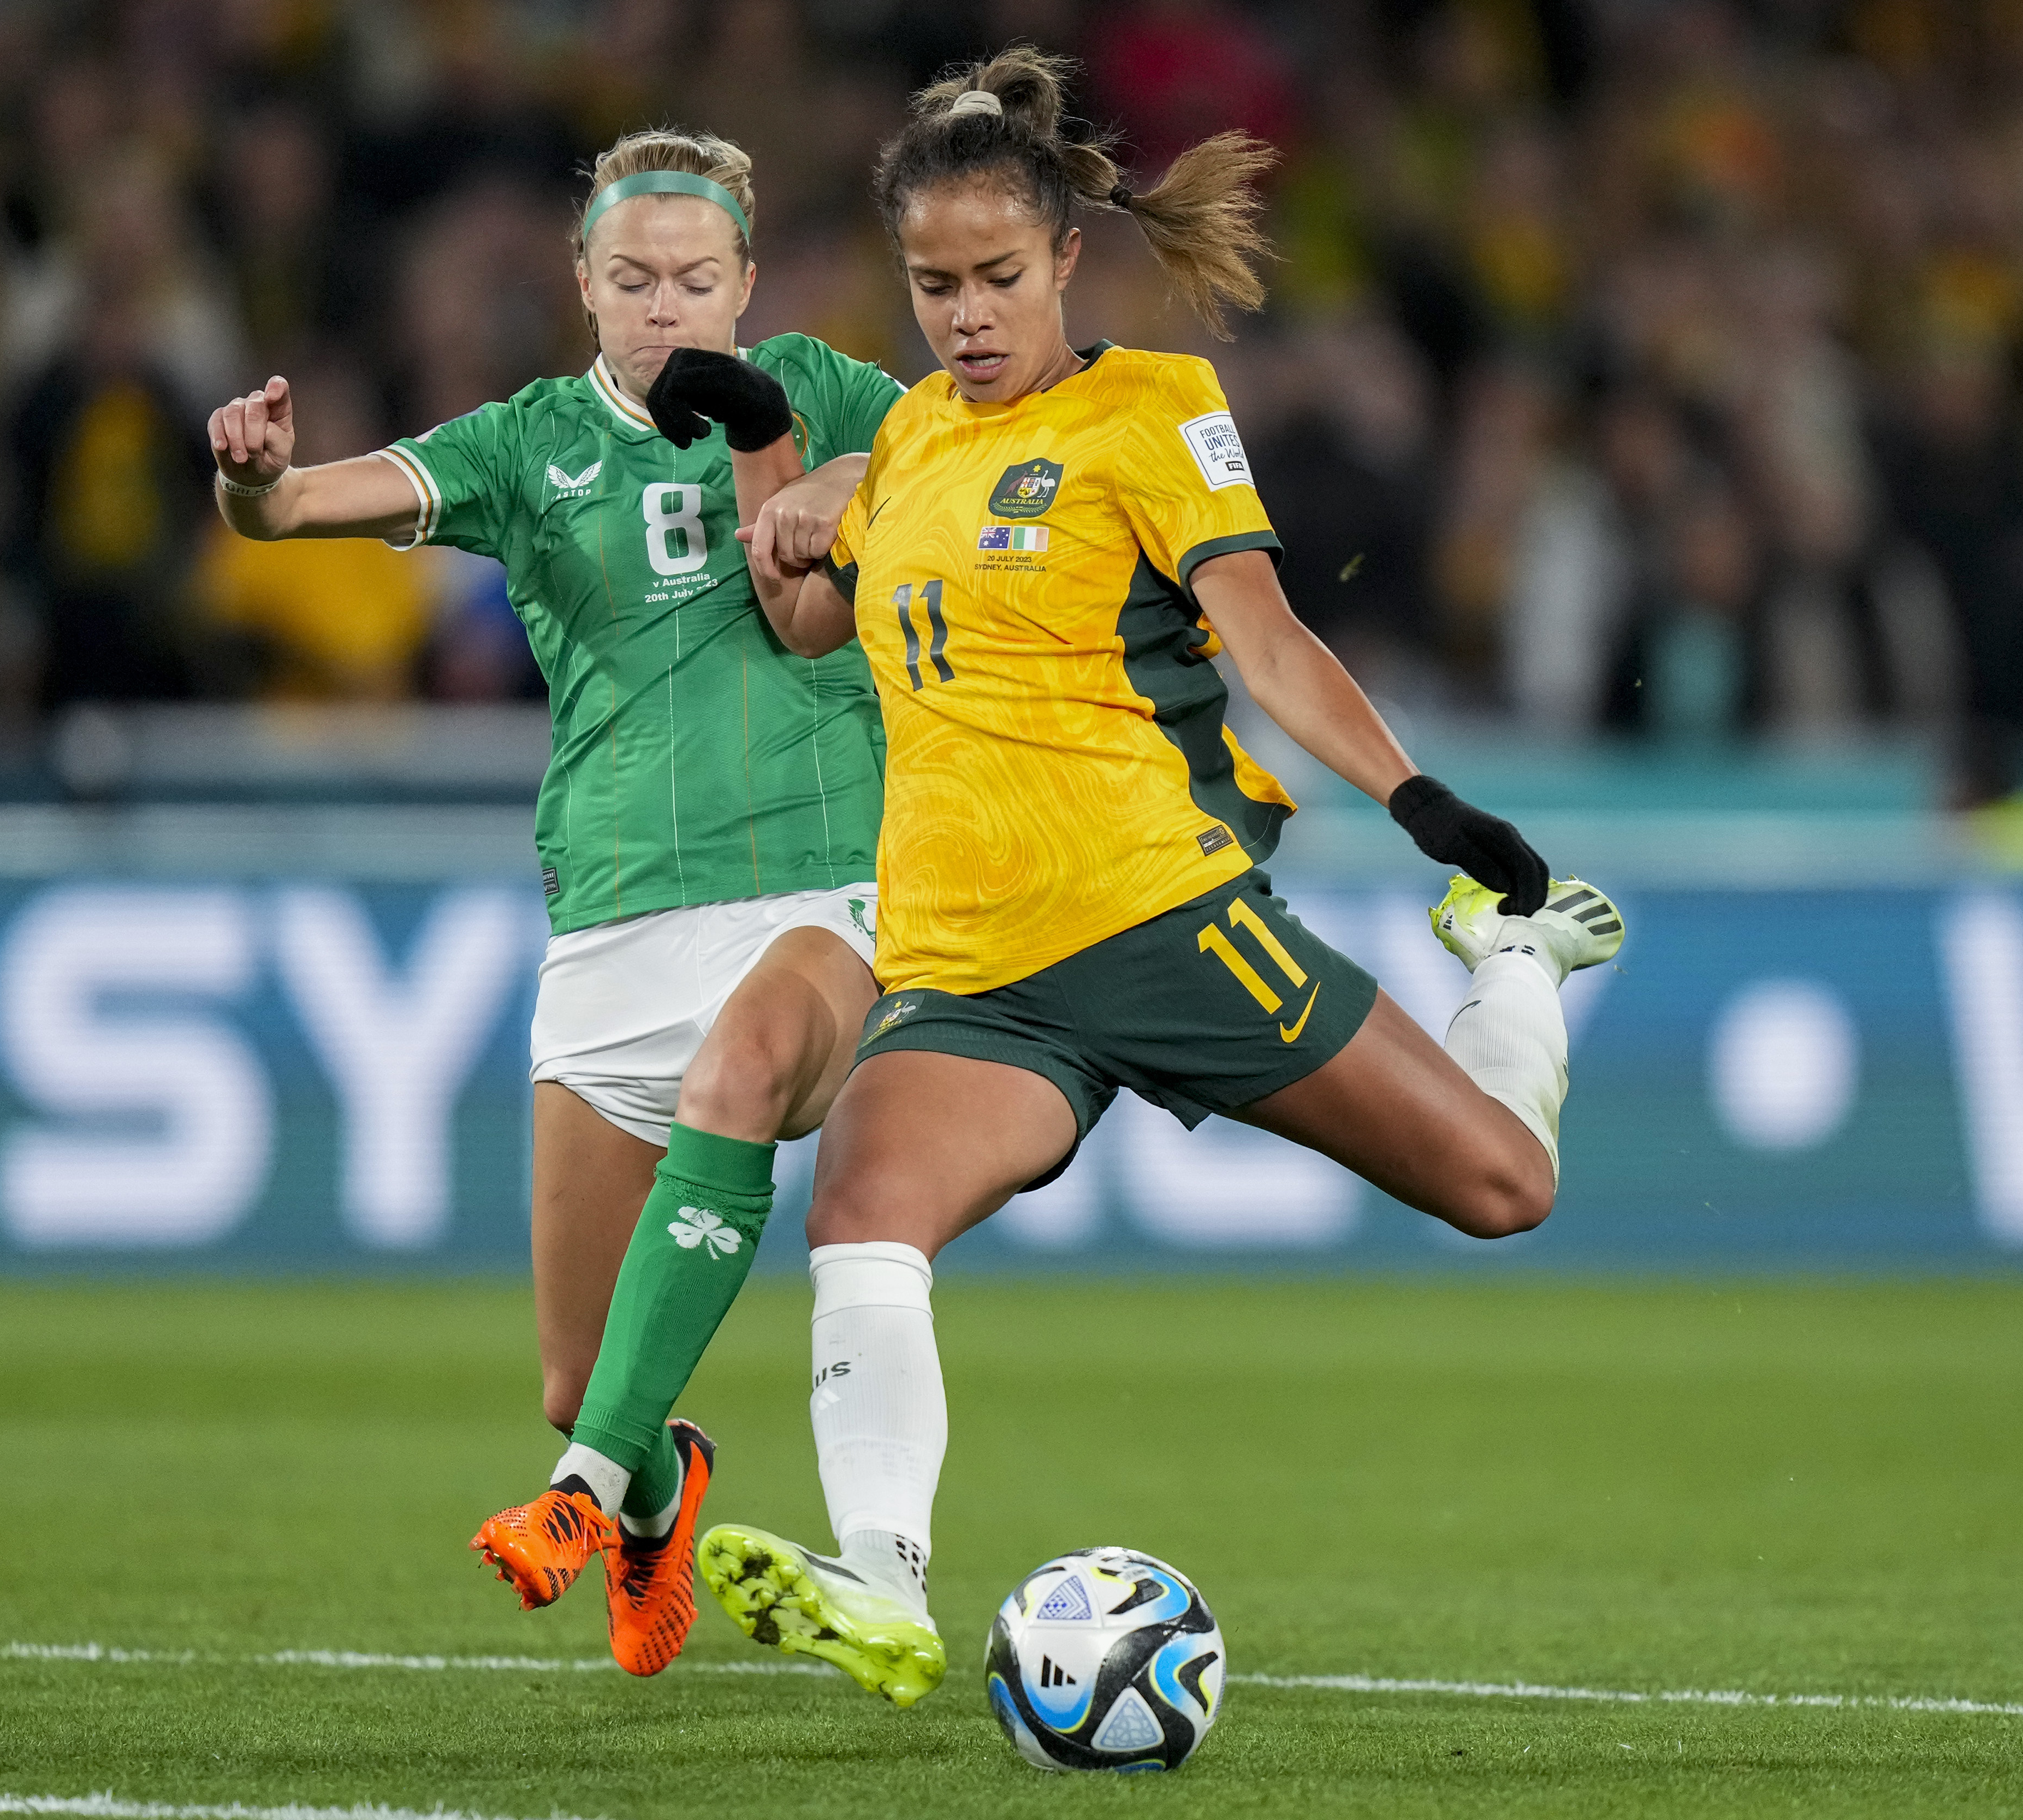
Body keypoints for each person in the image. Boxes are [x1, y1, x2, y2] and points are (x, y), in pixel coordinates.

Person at [652, 51, 1625, 1707]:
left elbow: (1265, 638)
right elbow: (809, 619)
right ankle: (881, 1583)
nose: (965, 315)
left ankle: (1514, 963)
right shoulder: (901, 452)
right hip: (970, 970)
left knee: (1502, 1191)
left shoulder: (1150, 408)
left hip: (1159, 916)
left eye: (997, 280)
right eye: (933, 285)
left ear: (1067, 261)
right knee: (868, 1214)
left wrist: (1419, 801)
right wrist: (769, 461)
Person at [204, 129, 903, 1678]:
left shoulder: (828, 389)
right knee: (581, 1376)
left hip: (828, 883)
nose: (670, 310)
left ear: (747, 283)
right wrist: (252, 485)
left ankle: (581, 1498)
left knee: (743, 1070)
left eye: (698, 280)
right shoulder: (527, 448)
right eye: (637, 281)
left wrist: (831, 470)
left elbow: (960, 464)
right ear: (584, 286)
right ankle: (649, 1495)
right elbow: (309, 504)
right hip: (614, 919)